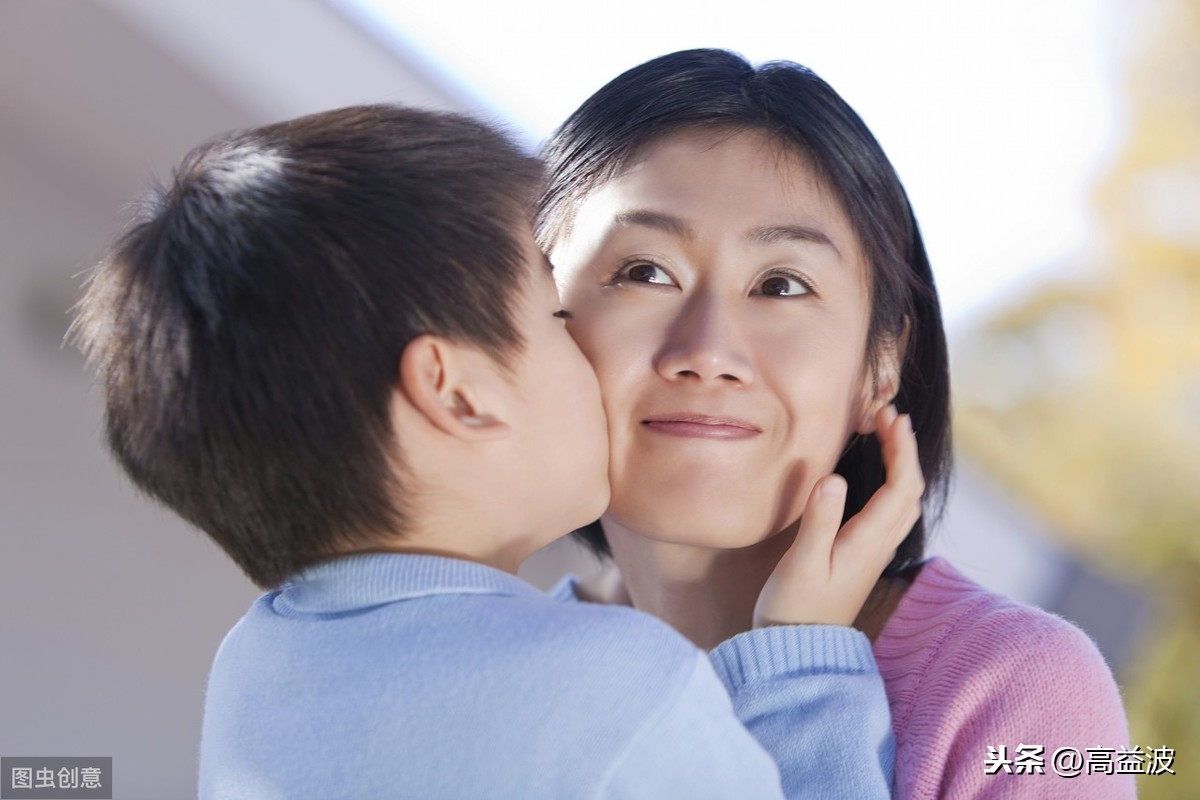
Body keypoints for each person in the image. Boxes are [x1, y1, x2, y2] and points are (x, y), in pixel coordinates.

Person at [71, 103, 916, 798]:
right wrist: (806, 661)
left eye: (780, 285)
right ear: (457, 392)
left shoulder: (254, 669)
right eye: (557, 315)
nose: (594, 353)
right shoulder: (618, 688)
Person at [539, 49, 1135, 799]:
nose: (708, 352)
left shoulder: (1016, 692)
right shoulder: (481, 683)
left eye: (782, 285)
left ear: (879, 368)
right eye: (646, 272)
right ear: (533, 315)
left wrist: (798, 675)